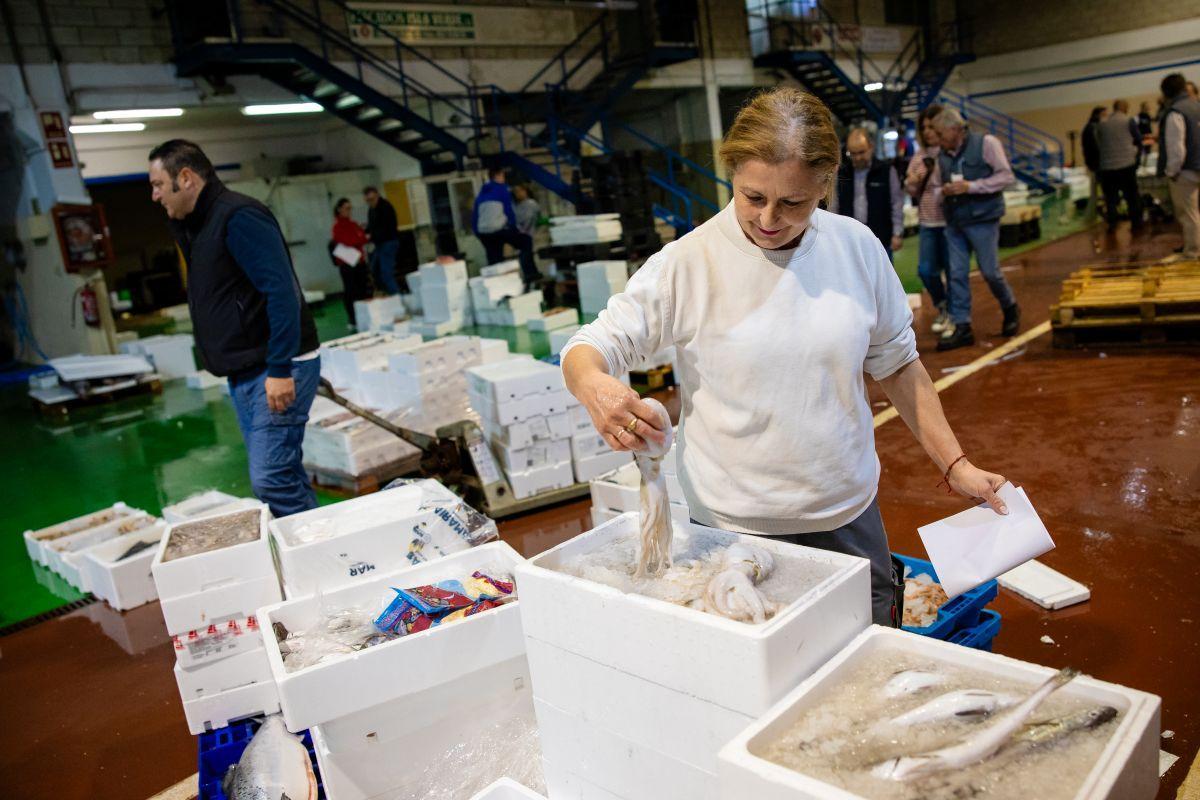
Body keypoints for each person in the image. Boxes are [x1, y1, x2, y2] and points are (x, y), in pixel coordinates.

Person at [561, 88, 1010, 627]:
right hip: (734, 526)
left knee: (865, 657)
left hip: (845, 512)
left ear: (825, 184)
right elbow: (590, 347)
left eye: (793, 203)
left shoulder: (857, 248)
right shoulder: (687, 263)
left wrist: (955, 464)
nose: (769, 219)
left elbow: (897, 363)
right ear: (731, 175)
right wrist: (595, 387)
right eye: (753, 197)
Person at [148, 140, 320, 518]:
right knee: (282, 472)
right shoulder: (198, 225)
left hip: (276, 365)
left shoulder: (239, 216)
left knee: (271, 477)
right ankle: (314, 550)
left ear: (186, 178)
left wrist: (279, 368)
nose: (154, 195)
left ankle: (320, 557)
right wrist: (178, 222)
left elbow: (282, 293)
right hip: (244, 369)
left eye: (159, 184)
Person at [933, 108, 1020, 351]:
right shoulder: (942, 155)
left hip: (984, 219)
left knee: (990, 271)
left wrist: (971, 186)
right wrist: (945, 191)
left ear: (954, 129)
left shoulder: (987, 144)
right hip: (955, 222)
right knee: (956, 274)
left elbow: (1005, 176)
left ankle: (1010, 306)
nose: (938, 140)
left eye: (941, 134)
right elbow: (937, 186)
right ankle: (962, 326)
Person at [905, 104, 951, 335]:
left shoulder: (949, 152)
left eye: (932, 127)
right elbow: (911, 188)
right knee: (926, 270)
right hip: (928, 222)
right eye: (924, 128)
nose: (929, 132)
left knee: (953, 272)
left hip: (951, 223)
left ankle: (953, 314)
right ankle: (942, 305)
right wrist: (913, 180)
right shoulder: (919, 157)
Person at [829, 128, 905, 260]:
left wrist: (897, 233)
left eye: (861, 152)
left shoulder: (887, 171)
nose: (857, 157)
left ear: (871, 147)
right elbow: (833, 205)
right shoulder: (841, 174)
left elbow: (896, 203)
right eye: (852, 153)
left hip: (881, 238)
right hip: (849, 240)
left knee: (882, 280)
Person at [472, 167, 538, 288]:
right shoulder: (502, 189)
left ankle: (497, 287)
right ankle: (530, 274)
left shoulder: (480, 195)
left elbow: (475, 217)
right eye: (502, 176)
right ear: (498, 176)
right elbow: (508, 211)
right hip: (499, 230)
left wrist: (478, 234)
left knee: (495, 260)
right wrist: (515, 228)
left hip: (483, 233)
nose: (504, 179)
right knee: (525, 242)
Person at [1158, 73, 1200, 258]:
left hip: (1186, 171)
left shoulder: (1175, 112)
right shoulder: (1197, 106)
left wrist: (1172, 172)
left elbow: (1176, 148)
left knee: (1189, 215)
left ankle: (1192, 253)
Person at [1095, 99, 1144, 232]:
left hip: (1107, 166)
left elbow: (1099, 144)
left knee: (1110, 198)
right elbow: (1139, 140)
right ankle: (1136, 223)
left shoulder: (1102, 123)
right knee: (1131, 196)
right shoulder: (1128, 120)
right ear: (1125, 108)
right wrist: (1137, 158)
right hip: (1126, 164)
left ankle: (1112, 223)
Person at [331, 197, 372, 329]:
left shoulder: (353, 224)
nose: (349, 211)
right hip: (347, 263)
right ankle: (353, 319)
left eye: (350, 208)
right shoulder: (337, 227)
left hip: (359, 261)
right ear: (339, 210)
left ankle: (365, 317)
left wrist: (360, 238)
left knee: (363, 290)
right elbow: (350, 240)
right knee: (350, 292)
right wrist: (360, 238)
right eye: (346, 208)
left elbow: (361, 238)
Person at [363, 186, 401, 295]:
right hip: (379, 244)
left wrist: (371, 236)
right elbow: (372, 226)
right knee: (375, 271)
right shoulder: (371, 209)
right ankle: (386, 294)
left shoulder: (386, 207)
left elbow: (387, 228)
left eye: (372, 199)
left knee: (386, 274)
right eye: (368, 201)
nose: (371, 202)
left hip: (389, 242)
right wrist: (364, 231)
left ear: (377, 195)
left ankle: (397, 297)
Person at [1082, 106, 1107, 220]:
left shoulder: (1091, 127)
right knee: (1098, 189)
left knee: (1097, 189)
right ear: (1097, 115)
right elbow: (1095, 147)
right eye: (1104, 115)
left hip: (1095, 163)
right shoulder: (1092, 128)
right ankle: (1098, 212)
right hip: (1096, 163)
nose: (1105, 117)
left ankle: (1096, 212)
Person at [1137, 101, 1154, 168]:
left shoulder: (1148, 115)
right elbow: (1138, 126)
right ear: (1143, 107)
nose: (1148, 108)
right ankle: (1140, 164)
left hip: (1148, 135)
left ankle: (1145, 164)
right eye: (1146, 106)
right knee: (1141, 150)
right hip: (1142, 136)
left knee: (1148, 150)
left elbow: (1149, 125)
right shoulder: (1139, 116)